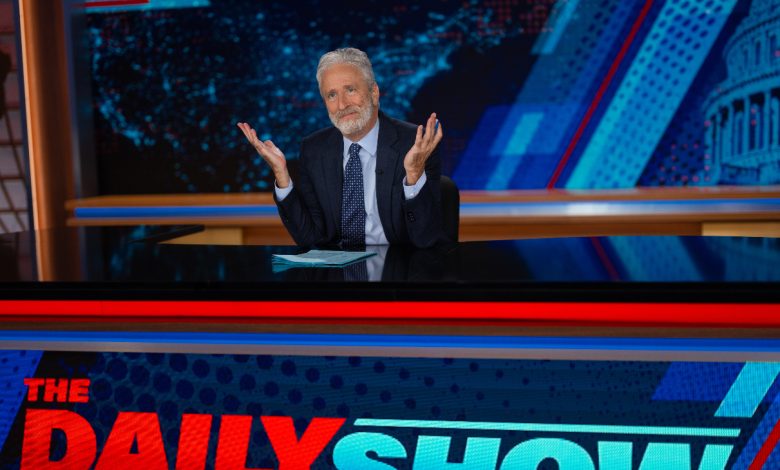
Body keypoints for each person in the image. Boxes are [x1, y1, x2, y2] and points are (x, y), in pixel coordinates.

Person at [237, 47, 445, 249]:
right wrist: (281, 174)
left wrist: (414, 174)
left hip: (398, 267)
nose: (342, 105)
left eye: (350, 90)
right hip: (339, 269)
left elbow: (426, 239)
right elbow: (309, 238)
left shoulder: (415, 144)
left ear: (374, 92)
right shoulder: (313, 150)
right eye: (332, 95)